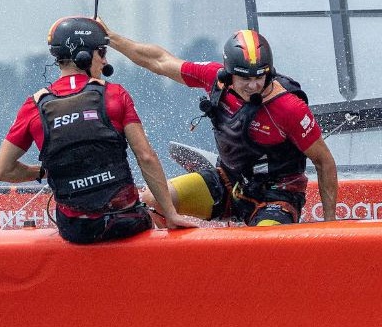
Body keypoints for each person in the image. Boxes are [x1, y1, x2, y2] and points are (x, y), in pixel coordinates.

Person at [105, 26, 338, 226]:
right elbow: (160, 61)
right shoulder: (215, 79)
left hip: (277, 195)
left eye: (260, 77)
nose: (253, 85)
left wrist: (329, 224)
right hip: (229, 181)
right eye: (245, 78)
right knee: (153, 201)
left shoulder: (289, 108)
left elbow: (324, 162)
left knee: (263, 243)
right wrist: (111, 38)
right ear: (229, 73)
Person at [0, 17, 190, 244]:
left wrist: (44, 172)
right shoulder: (115, 94)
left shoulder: (34, 105)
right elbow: (145, 157)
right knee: (153, 214)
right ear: (84, 56)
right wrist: (171, 213)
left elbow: (2, 170)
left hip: (77, 232)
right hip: (125, 222)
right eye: (102, 53)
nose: (105, 62)